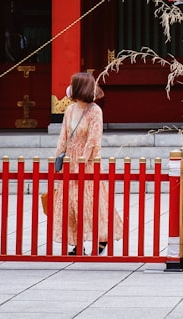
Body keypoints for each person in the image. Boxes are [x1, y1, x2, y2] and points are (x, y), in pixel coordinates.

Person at [51, 72, 123, 255]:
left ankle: (102, 236)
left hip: (87, 162)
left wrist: (82, 161)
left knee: (90, 203)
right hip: (70, 160)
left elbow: (94, 139)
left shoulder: (95, 111)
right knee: (71, 204)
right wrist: (59, 157)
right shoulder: (69, 110)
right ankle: (78, 242)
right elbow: (63, 136)